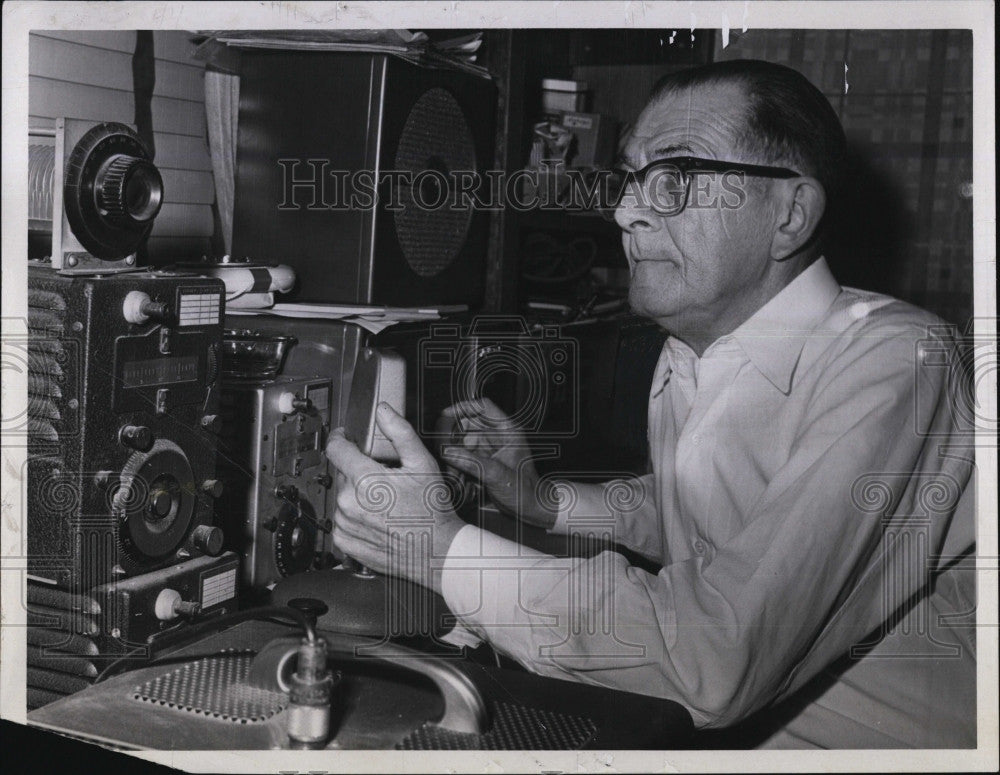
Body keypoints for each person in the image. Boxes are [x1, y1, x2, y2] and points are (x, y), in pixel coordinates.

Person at [325, 59, 976, 748]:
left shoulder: (898, 361)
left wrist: (441, 552)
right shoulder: (689, 350)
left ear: (790, 214)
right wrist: (546, 500)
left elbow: (715, 655)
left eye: (672, 179)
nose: (624, 211)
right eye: (629, 179)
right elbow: (707, 509)